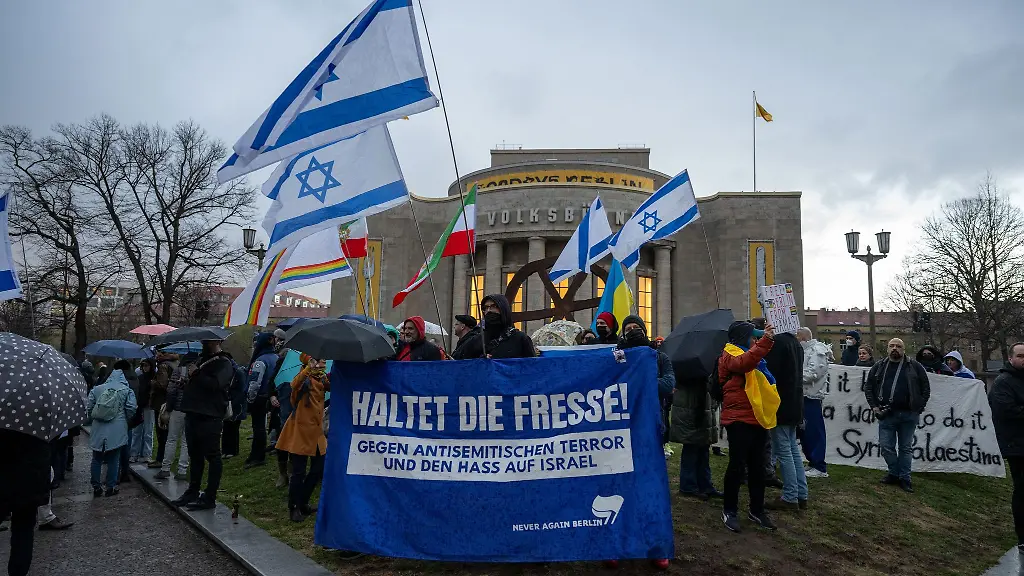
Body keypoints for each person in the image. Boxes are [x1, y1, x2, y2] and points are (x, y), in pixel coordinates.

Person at [719, 321, 777, 533]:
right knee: (737, 465)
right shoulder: (729, 353)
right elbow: (743, 363)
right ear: (742, 336)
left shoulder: (755, 356)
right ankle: (729, 510)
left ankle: (757, 509)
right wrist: (765, 342)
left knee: (757, 466)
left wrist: (765, 342)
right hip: (738, 419)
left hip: (757, 416)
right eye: (752, 336)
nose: (755, 339)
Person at [172, 340, 233, 511]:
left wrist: (197, 374)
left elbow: (217, 385)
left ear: (218, 341)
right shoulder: (200, 359)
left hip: (210, 416)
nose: (204, 343)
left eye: (208, 341)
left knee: (213, 456)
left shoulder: (224, 362)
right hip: (192, 412)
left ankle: (209, 496)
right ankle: (192, 491)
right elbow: (199, 384)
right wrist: (187, 382)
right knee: (195, 455)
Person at [864, 338, 930, 493]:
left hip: (909, 414)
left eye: (898, 346)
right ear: (887, 349)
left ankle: (905, 478)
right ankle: (894, 473)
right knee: (886, 447)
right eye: (891, 346)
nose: (895, 348)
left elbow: (925, 388)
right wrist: (874, 407)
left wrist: (919, 408)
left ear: (904, 349)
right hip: (887, 414)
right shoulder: (879, 366)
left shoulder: (914, 366)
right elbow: (869, 387)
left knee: (905, 448)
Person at [275, 354, 329, 522]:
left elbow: (331, 387)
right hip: (300, 431)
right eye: (318, 361)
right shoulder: (303, 377)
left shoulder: (321, 379)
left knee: (317, 469)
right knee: (298, 472)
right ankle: (294, 507)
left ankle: (303, 501)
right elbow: (294, 384)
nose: (322, 364)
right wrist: (308, 369)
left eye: (322, 361)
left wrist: (328, 377)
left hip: (317, 433)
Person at [759, 327, 806, 512]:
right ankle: (801, 494)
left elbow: (770, 374)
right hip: (794, 403)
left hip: (781, 404)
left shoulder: (778, 343)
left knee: (784, 451)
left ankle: (790, 496)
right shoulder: (795, 343)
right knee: (793, 450)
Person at [0, 430, 59, 576]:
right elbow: (52, 437)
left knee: (24, 530)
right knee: (23, 531)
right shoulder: (38, 411)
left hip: (5, 477)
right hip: (30, 479)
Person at [988, 342, 1024, 551]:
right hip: (1017, 445)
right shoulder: (1003, 382)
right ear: (1010, 359)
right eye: (1020, 356)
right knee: (1022, 490)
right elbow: (1007, 411)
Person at [87, 368, 137, 497]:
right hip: (118, 426)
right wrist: (125, 418)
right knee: (114, 458)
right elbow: (131, 408)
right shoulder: (126, 390)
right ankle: (111, 487)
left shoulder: (97, 389)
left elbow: (89, 407)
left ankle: (96, 486)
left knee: (96, 458)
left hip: (98, 426)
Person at [796, 327, 830, 479]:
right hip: (801, 396)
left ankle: (819, 466)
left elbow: (812, 374)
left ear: (802, 338)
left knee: (813, 431)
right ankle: (811, 461)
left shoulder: (817, 351)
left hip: (812, 397)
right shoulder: (805, 350)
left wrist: (792, 375)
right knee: (804, 432)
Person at [244, 333, 280, 469]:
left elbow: (255, 383)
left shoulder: (260, 361)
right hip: (271, 397)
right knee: (263, 427)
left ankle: (258, 456)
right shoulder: (276, 357)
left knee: (258, 428)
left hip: (260, 398)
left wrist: (250, 399)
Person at [157, 355, 191, 480]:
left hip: (177, 408)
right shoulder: (199, 370)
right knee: (186, 441)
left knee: (171, 439)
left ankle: (165, 468)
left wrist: (169, 408)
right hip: (191, 409)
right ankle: (182, 470)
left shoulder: (179, 370)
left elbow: (171, 390)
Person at [474, 294, 536, 359]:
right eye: (485, 308)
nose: (489, 310)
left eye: (494, 306)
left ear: (503, 309)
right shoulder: (477, 339)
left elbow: (532, 365)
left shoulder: (520, 338)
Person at [130, 359, 156, 463]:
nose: (145, 368)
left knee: (148, 431)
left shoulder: (154, 378)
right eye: (143, 366)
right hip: (140, 406)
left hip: (149, 406)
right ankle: (134, 453)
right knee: (137, 431)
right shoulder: (139, 378)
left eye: (147, 366)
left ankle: (147, 454)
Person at [148, 358, 172, 468]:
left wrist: (153, 382)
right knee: (165, 434)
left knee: (161, 433)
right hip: (166, 402)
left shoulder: (163, 366)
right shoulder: (173, 364)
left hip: (160, 404)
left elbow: (162, 384)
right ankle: (162, 458)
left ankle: (160, 459)